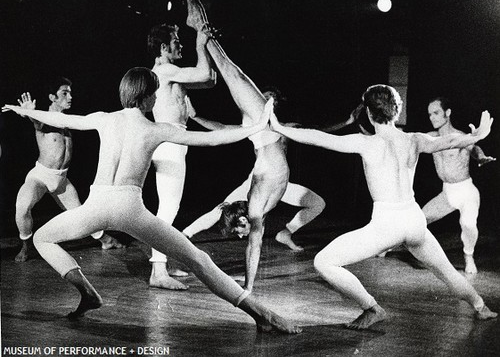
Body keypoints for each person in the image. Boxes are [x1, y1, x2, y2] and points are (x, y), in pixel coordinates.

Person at [2, 67, 301, 334]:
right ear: (146, 97)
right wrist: (259, 125)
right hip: (130, 209)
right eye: (155, 94)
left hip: (96, 205)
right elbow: (213, 139)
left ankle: (88, 292)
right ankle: (262, 315)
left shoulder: (104, 120)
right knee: (198, 259)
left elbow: (56, 118)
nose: (156, 100)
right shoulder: (156, 129)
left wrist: (23, 111)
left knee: (42, 239)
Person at [269, 84, 497, 329]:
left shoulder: (366, 143)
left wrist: (279, 127)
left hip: (387, 224)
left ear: (368, 113)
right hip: (414, 220)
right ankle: (481, 307)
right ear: (396, 112)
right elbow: (449, 141)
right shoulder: (415, 140)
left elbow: (319, 139)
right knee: (447, 272)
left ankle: (372, 308)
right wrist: (477, 136)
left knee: (323, 262)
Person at [185, 0, 291, 292]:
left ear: (243, 216)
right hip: (262, 132)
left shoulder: (254, 205)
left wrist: (247, 286)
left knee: (232, 72)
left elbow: (252, 245)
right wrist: (248, 288)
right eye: (241, 232)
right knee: (234, 73)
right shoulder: (257, 206)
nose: (245, 234)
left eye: (240, 229)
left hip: (264, 132)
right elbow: (223, 129)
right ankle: (201, 30)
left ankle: (200, 29)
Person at [183, 88, 364, 250]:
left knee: (317, 204)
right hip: (258, 181)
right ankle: (186, 235)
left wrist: (347, 122)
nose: (270, 101)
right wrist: (195, 116)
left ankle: (285, 233)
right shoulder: (252, 127)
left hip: (280, 183)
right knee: (225, 208)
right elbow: (221, 128)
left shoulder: (287, 128)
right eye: (266, 97)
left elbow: (319, 131)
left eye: (273, 99)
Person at [146, 0, 219, 289]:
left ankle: (163, 264)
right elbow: (203, 72)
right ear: (164, 48)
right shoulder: (163, 70)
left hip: (175, 143)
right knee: (167, 209)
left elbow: (210, 79)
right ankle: (157, 271)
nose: (182, 45)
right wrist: (201, 42)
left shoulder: (171, 73)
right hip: (168, 143)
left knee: (170, 207)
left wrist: (204, 45)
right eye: (177, 41)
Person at [13, 78, 123, 262]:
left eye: (70, 92)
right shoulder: (44, 117)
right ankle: (26, 246)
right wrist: (29, 112)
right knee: (22, 206)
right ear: (52, 97)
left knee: (82, 213)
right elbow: (38, 123)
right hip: (40, 176)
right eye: (65, 93)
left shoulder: (67, 120)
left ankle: (105, 240)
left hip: (61, 180)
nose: (70, 96)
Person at [423, 97, 496, 274]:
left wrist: (481, 157)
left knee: (468, 224)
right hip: (447, 193)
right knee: (418, 220)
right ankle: (389, 246)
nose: (432, 117)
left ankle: (468, 256)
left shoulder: (460, 137)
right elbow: (409, 140)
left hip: (466, 192)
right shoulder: (430, 137)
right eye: (429, 114)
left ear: (447, 113)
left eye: (436, 113)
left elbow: (474, 147)